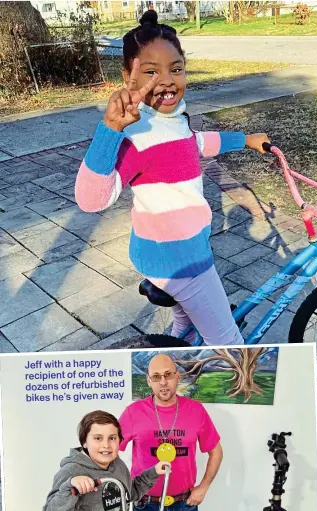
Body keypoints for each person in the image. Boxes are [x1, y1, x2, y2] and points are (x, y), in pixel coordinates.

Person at [74, 9, 271, 347]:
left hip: (168, 248)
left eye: (175, 69)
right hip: (181, 259)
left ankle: (180, 336)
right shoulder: (137, 136)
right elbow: (91, 200)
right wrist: (109, 130)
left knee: (186, 314)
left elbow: (195, 144)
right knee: (229, 345)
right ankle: (232, 387)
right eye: (151, 72)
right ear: (128, 77)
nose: (166, 80)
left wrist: (245, 139)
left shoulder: (173, 120)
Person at [118, 353, 223, 511]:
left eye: (168, 375)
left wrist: (204, 487)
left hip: (185, 506)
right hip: (145, 506)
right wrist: (123, 487)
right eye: (156, 377)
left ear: (177, 377)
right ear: (149, 381)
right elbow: (110, 451)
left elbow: (216, 451)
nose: (163, 382)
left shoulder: (196, 410)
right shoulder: (133, 412)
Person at [42, 410, 170, 511]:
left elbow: (129, 494)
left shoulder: (118, 465)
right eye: (98, 438)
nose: (106, 445)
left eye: (112, 438)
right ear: (84, 442)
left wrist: (153, 472)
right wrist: (69, 487)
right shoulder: (72, 471)